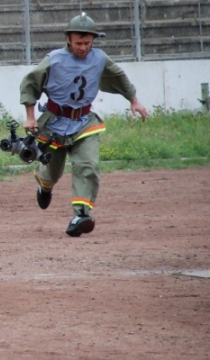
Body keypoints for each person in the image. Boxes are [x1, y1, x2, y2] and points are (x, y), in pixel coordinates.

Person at [21, 12, 148, 237]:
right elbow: (31, 82)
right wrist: (30, 117)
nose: (83, 47)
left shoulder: (99, 58)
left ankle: (81, 214)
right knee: (53, 171)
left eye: (87, 43)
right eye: (78, 43)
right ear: (68, 39)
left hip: (84, 122)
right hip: (54, 122)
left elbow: (118, 76)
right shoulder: (54, 59)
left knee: (88, 165)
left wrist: (134, 100)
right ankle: (44, 184)